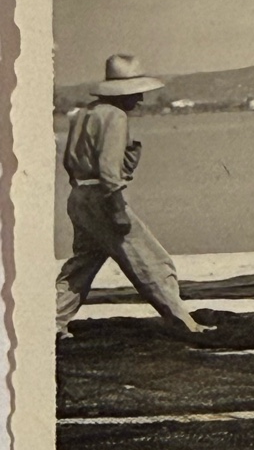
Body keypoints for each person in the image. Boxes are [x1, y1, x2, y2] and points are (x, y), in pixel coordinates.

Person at [56, 54, 212, 339]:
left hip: (79, 196)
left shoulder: (84, 113)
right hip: (104, 199)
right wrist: (115, 209)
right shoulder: (115, 116)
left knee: (83, 264)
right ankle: (184, 324)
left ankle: (51, 321)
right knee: (152, 261)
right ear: (124, 92)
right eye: (137, 92)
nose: (140, 98)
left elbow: (68, 161)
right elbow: (108, 169)